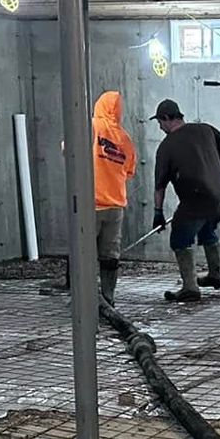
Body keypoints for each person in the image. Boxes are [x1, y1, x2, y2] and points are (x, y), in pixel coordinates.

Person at [151, 98, 220, 303]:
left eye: (160, 122)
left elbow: (160, 186)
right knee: (207, 230)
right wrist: (217, 176)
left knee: (180, 238)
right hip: (219, 195)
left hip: (195, 198)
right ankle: (215, 275)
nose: (160, 127)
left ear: (168, 118)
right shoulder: (206, 129)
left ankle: (190, 288)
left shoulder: (166, 146)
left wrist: (158, 212)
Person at [93, 90, 137, 303]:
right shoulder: (125, 138)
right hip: (115, 206)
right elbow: (128, 172)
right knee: (110, 255)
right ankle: (108, 298)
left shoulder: (91, 126)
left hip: (91, 204)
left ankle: (85, 299)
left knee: (83, 253)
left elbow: (68, 150)